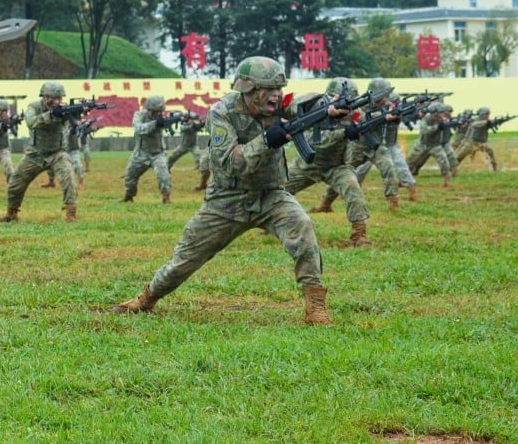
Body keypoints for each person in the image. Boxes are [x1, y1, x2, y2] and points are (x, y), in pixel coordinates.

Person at [112, 56, 336, 325]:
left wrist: (325, 107)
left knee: (303, 229)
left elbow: (298, 105)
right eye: (269, 90)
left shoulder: (276, 106)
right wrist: (266, 140)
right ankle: (148, 297)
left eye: (279, 89)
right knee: (186, 259)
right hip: (227, 200)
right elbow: (232, 162)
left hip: (271, 195)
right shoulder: (222, 113)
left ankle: (316, 308)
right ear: (248, 89)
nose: (275, 96)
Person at [282, 77, 372, 247]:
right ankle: (270, 223)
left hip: (337, 165)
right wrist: (327, 114)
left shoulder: (354, 113)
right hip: (308, 163)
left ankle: (359, 234)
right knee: (279, 190)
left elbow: (365, 124)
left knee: (354, 190)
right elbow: (290, 109)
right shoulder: (314, 104)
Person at [313, 77, 401, 213]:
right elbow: (359, 117)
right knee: (343, 174)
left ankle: (393, 204)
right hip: (357, 147)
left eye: (387, 95)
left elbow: (392, 123)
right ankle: (326, 203)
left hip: (376, 145)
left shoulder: (387, 106)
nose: (386, 99)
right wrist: (383, 117)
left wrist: (394, 118)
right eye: (383, 95)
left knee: (389, 169)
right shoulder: (360, 103)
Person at [0, 81, 78, 223]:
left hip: (57, 153)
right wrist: (50, 115)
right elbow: (31, 122)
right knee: (15, 183)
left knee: (68, 179)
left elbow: (74, 123)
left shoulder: (64, 109)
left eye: (59, 98)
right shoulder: (33, 107)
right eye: (53, 98)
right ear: (45, 97)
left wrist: (74, 114)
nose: (57, 101)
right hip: (35, 154)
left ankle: (71, 214)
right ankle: (11, 213)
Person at [122, 95, 173, 204]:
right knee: (130, 177)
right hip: (140, 153)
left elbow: (168, 123)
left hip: (158, 154)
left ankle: (166, 198)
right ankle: (128, 196)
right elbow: (139, 129)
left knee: (164, 176)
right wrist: (155, 124)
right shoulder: (139, 115)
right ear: (149, 109)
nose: (158, 114)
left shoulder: (161, 118)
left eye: (160, 111)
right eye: (155, 111)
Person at [407, 101, 455, 188]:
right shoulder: (426, 119)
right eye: (440, 113)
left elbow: (448, 127)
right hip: (422, 145)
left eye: (442, 113)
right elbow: (426, 131)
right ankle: (403, 180)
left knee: (444, 161)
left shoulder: (443, 119)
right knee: (410, 161)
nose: (441, 115)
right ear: (434, 113)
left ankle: (447, 181)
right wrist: (437, 127)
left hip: (435, 145)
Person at [454, 107, 498, 172]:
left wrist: (496, 122)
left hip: (483, 143)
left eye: (488, 114)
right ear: (481, 114)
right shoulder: (475, 120)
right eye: (485, 114)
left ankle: (495, 170)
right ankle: (451, 169)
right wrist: (486, 122)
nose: (487, 116)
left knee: (491, 154)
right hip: (472, 142)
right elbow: (475, 124)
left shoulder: (488, 121)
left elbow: (491, 125)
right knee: (459, 157)